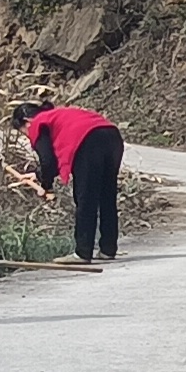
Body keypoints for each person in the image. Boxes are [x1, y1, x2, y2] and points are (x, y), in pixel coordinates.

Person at [16, 99, 126, 263]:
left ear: (26, 122)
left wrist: (46, 185)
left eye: (23, 132)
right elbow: (51, 164)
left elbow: (48, 161)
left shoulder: (38, 123)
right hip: (112, 137)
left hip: (88, 141)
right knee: (106, 196)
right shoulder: (59, 115)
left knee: (86, 198)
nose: (28, 137)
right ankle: (108, 249)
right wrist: (40, 176)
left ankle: (82, 253)